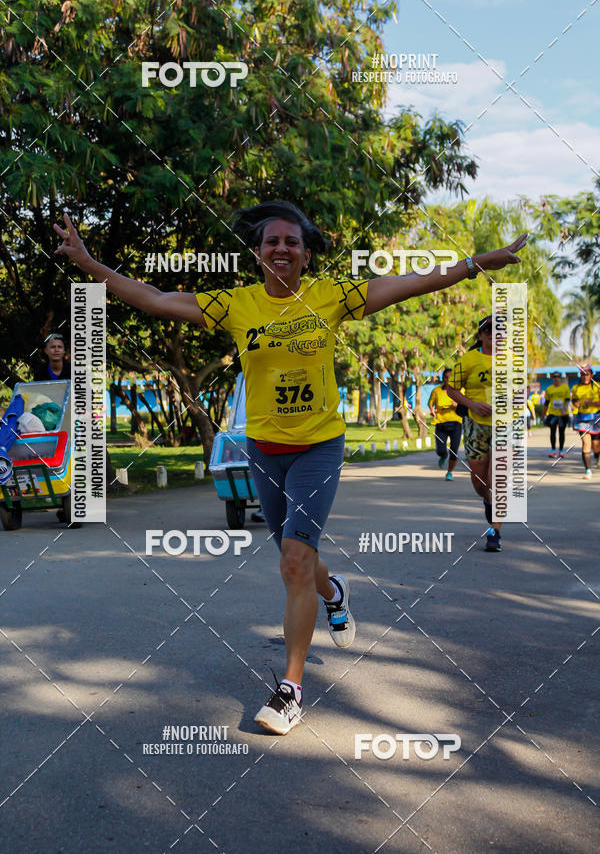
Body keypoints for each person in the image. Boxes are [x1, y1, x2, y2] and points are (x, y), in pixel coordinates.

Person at [53, 204, 526, 734]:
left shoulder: (332, 296)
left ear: (305, 255)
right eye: (272, 241)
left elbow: (414, 282)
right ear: (257, 253)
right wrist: (89, 264)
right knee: (294, 556)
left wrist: (478, 262)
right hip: (264, 449)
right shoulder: (236, 304)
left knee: (295, 561)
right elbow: (155, 298)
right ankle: (335, 593)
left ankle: (290, 690)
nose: (282, 248)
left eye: (293, 242)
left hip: (318, 447)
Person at [446, 316, 504, 552]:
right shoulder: (468, 359)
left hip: (504, 425)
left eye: (498, 330)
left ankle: (495, 532)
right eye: (488, 330)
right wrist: (473, 404)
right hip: (475, 425)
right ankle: (488, 501)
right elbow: (451, 389)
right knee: (480, 483)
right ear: (480, 335)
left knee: (498, 478)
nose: (493, 334)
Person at [427, 368, 462, 480]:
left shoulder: (460, 390)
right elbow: (430, 403)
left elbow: (466, 404)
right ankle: (443, 456)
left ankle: (449, 472)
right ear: (443, 378)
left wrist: (458, 405)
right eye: (446, 377)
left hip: (456, 423)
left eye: (451, 377)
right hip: (441, 423)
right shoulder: (436, 391)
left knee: (454, 451)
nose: (448, 379)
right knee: (441, 450)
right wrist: (432, 410)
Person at [570, 364, 600, 479]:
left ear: (591, 375)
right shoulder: (576, 388)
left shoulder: (597, 386)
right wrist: (575, 403)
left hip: (596, 418)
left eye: (587, 374)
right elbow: (574, 400)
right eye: (582, 374)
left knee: (596, 445)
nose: (585, 376)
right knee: (586, 443)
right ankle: (588, 470)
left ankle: (597, 457)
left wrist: (592, 403)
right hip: (582, 419)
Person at [542, 371, 570, 458]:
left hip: (563, 414)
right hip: (552, 413)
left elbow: (567, 400)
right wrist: (543, 414)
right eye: (554, 377)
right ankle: (553, 450)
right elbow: (546, 403)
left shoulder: (565, 388)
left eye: (558, 376)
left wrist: (564, 409)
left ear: (560, 378)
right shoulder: (549, 389)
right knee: (552, 431)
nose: (556, 378)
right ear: (552, 378)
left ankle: (561, 450)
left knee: (562, 432)